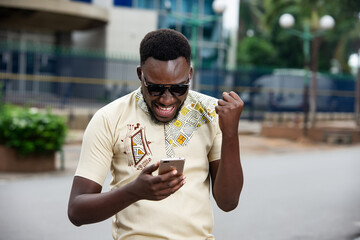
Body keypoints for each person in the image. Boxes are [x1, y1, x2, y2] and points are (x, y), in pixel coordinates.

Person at [68, 28, 244, 240]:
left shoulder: (210, 113)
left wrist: (231, 133)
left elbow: (228, 202)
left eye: (179, 88)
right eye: (156, 88)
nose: (167, 99)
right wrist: (134, 191)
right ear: (140, 75)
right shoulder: (109, 118)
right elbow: (77, 211)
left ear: (190, 75)